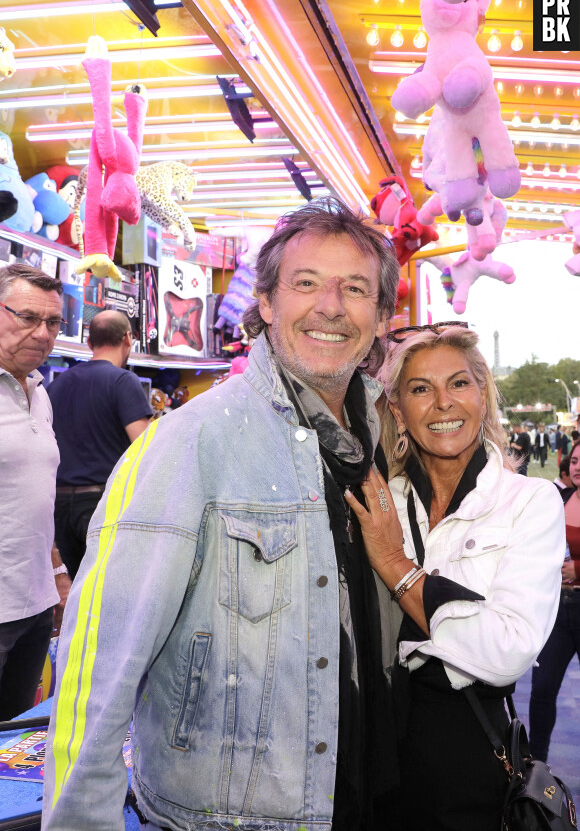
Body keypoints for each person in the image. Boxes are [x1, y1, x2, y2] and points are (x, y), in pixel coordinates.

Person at [42, 197, 402, 831]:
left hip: (361, 788)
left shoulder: (377, 432)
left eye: (354, 288)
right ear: (265, 303)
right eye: (306, 283)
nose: (330, 307)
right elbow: (99, 659)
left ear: (380, 315)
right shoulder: (192, 439)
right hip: (232, 812)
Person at [346, 323, 564, 831]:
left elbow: (509, 649)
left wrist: (396, 567)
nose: (443, 403)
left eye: (459, 384)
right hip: (372, 752)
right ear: (397, 409)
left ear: (481, 394)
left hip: (469, 760)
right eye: (421, 389)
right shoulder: (385, 500)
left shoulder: (527, 503)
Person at [0, 263, 71, 719]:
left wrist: (59, 572)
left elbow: (34, 497)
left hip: (34, 603)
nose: (42, 333)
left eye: (52, 322)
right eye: (27, 317)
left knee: (10, 741)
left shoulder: (40, 392)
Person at [47, 310, 153, 579]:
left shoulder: (58, 384)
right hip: (101, 504)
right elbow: (145, 449)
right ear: (128, 338)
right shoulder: (123, 381)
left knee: (77, 593)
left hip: (58, 507)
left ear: (90, 342)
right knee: (108, 592)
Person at [528, 439, 580, 763]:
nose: (577, 466)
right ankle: (536, 765)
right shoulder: (559, 498)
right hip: (559, 610)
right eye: (574, 460)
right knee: (542, 689)